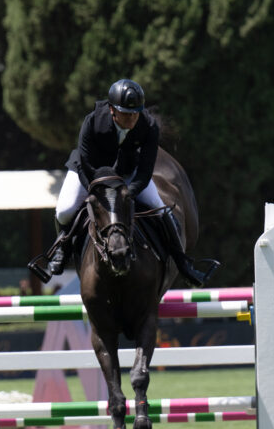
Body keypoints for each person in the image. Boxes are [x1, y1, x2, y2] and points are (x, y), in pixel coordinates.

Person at [45, 79, 208, 287]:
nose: (132, 118)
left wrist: (128, 192)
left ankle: (182, 263)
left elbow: (146, 170)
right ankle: (62, 249)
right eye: (125, 113)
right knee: (64, 210)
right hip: (90, 174)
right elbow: (86, 164)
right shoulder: (93, 122)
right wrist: (99, 192)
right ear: (112, 110)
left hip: (128, 174)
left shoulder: (147, 125)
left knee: (162, 210)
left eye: (135, 113)